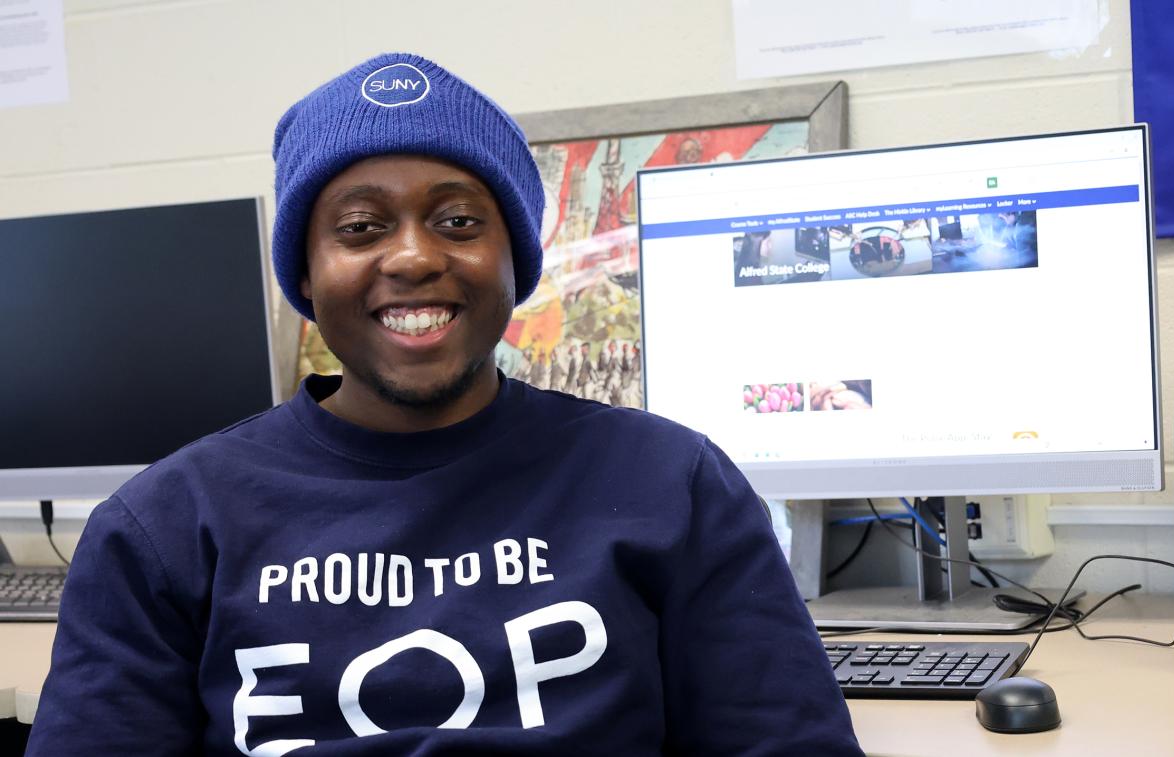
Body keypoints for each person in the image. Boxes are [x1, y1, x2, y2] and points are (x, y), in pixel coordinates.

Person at [27, 53, 862, 756]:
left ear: (516, 262)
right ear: (307, 275)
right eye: (359, 228)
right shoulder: (165, 527)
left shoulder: (671, 483)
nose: (415, 257)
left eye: (459, 220)